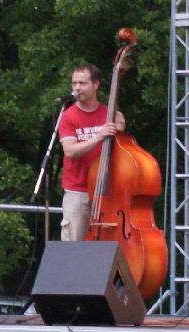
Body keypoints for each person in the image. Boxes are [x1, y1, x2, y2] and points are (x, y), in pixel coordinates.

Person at [58, 63, 125, 242]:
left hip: (107, 191)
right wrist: (97, 137)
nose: (77, 88)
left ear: (95, 85)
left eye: (82, 83)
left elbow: (123, 155)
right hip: (78, 191)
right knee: (73, 247)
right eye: (74, 83)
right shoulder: (68, 116)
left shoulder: (108, 113)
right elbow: (70, 151)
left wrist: (121, 133)